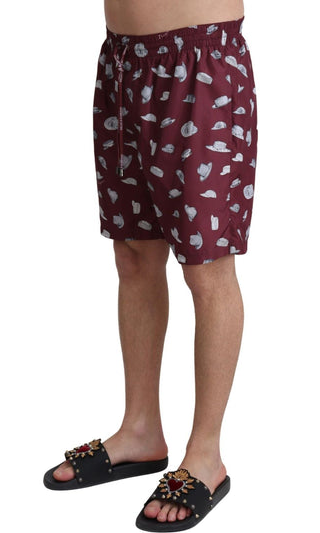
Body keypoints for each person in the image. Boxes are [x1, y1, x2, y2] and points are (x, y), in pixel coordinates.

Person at [44, 0, 257, 529]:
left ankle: (205, 455)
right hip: (122, 62)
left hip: (200, 60)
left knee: (207, 267)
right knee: (134, 254)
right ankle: (140, 429)